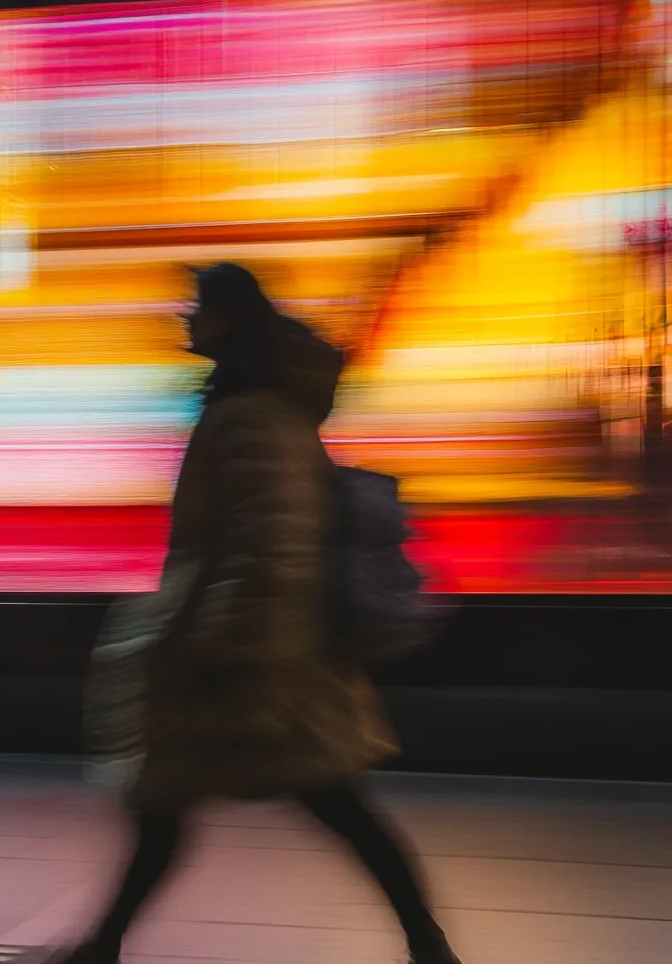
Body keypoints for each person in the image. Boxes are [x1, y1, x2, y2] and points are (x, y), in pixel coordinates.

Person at [50, 263, 462, 964]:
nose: (184, 318)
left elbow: (269, 540)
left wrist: (229, 645)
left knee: (324, 803)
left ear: (229, 318)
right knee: (175, 805)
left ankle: (428, 944)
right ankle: (104, 942)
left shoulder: (252, 416)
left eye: (196, 306)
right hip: (253, 648)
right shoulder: (253, 406)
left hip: (259, 659)